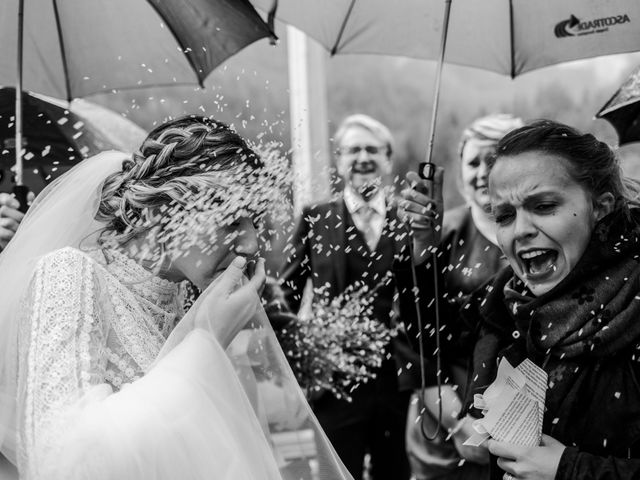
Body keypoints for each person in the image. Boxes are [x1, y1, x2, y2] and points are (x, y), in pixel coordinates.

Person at [0, 115, 353, 480]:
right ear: (159, 211)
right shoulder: (70, 274)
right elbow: (61, 466)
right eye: (232, 221)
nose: (250, 244)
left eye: (255, 223)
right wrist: (206, 343)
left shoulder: (206, 298)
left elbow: (292, 449)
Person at [402, 119, 640, 479]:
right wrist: (424, 249)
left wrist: (570, 470)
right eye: (505, 215)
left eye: (544, 206)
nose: (522, 230)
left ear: (601, 207)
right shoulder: (507, 297)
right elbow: (433, 339)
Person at [279, 114, 420, 479]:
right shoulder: (316, 219)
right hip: (333, 382)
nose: (363, 158)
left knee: (394, 473)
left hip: (396, 383)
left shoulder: (411, 223)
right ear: (339, 160)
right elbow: (287, 296)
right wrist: (295, 360)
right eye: (352, 149)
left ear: (388, 159)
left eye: (372, 149)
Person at [402, 114, 523, 480]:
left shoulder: (538, 236)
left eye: (495, 159)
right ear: (458, 174)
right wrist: (458, 424)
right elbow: (411, 340)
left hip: (522, 422)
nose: (483, 172)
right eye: (473, 162)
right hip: (446, 414)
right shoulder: (436, 236)